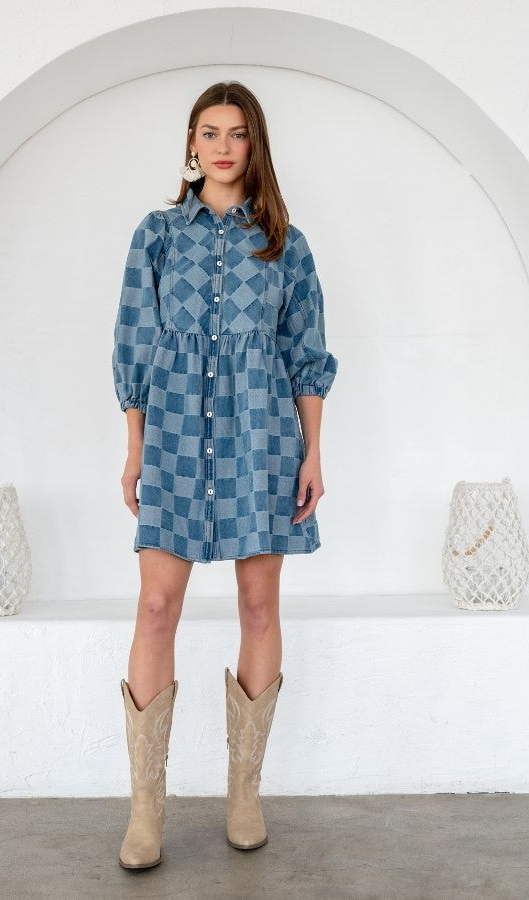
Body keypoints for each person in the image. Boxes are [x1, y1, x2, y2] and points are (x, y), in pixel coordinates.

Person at [112, 80, 338, 870]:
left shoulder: (286, 244)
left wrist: (313, 452)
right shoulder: (156, 236)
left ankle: (245, 792)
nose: (221, 145)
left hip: (262, 436)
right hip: (174, 434)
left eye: (236, 133)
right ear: (191, 142)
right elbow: (134, 344)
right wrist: (135, 448)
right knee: (155, 607)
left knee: (258, 604)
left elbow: (306, 354)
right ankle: (147, 810)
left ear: (254, 144)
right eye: (209, 131)